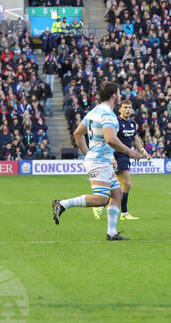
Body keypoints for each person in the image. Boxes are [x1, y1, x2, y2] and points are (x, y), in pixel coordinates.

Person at [52, 82, 141, 241]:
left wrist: (88, 154)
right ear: (114, 95)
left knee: (116, 193)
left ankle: (112, 233)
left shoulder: (94, 111)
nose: (120, 96)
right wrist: (130, 151)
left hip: (100, 159)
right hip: (99, 161)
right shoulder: (108, 114)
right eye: (119, 93)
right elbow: (110, 139)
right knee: (101, 199)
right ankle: (62, 204)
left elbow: (78, 134)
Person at [93, 100, 149, 221]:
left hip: (126, 157)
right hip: (117, 156)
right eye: (125, 107)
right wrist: (112, 157)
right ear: (120, 110)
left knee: (117, 187)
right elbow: (109, 139)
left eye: (129, 107)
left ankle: (103, 206)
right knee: (127, 183)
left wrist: (143, 151)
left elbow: (135, 139)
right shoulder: (116, 122)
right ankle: (115, 210)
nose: (128, 110)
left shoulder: (132, 123)